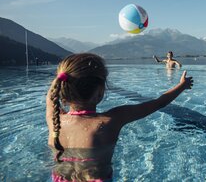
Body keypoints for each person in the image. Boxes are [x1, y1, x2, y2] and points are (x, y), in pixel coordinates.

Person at [46, 53, 193, 181]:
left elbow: (50, 98)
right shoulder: (110, 120)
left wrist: (62, 76)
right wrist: (182, 85)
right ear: (99, 92)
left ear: (61, 89)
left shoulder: (55, 120)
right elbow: (159, 103)